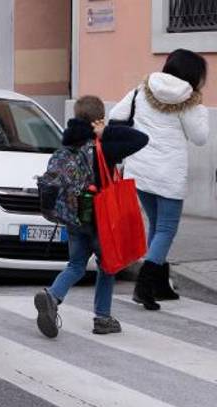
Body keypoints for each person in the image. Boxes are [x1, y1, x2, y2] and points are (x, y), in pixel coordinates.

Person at [34, 96, 148, 338]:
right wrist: (107, 131)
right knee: (107, 266)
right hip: (102, 219)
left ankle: (52, 296)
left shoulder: (67, 144)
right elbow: (141, 139)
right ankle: (102, 318)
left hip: (75, 218)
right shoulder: (103, 147)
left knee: (76, 265)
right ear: (99, 119)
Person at [109, 49, 209, 310]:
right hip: (168, 175)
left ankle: (160, 285)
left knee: (156, 225)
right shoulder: (188, 101)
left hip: (140, 169)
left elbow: (116, 115)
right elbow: (200, 137)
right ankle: (144, 285)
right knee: (166, 229)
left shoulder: (142, 90)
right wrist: (200, 110)